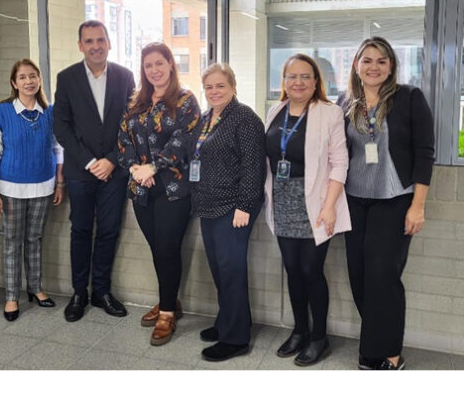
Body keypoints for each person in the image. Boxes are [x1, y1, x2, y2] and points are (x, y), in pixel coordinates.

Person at [337, 37, 435, 370]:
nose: (374, 67)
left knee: (383, 275)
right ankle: (376, 342)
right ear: (356, 65)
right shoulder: (346, 102)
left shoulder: (409, 98)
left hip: (395, 200)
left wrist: (417, 206)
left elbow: (424, 153)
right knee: (359, 275)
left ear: (391, 65)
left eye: (381, 61)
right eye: (367, 60)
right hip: (354, 200)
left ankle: (389, 352)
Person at [263, 54, 350, 366]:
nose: (297, 82)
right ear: (283, 81)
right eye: (291, 76)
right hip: (283, 201)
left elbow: (340, 162)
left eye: (305, 77)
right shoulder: (276, 110)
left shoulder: (329, 112)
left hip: (315, 201)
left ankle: (319, 338)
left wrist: (329, 208)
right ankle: (299, 330)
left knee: (311, 271)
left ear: (316, 82)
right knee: (292, 270)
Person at [117, 42, 200, 346]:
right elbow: (122, 141)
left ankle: (167, 312)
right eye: (148, 65)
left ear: (170, 64)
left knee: (167, 248)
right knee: (158, 249)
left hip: (174, 191)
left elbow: (184, 142)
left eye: (159, 63)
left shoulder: (186, 100)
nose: (154, 70)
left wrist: (153, 167)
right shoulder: (135, 102)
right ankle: (171, 300)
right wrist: (137, 170)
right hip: (141, 191)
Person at [53, 20, 135, 322]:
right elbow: (61, 126)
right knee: (81, 230)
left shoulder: (125, 77)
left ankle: (101, 291)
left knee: (110, 231)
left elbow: (131, 123)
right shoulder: (67, 78)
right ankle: (79, 293)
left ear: (110, 43)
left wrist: (112, 159)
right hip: (80, 171)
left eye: (100, 40)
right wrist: (90, 162)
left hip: (115, 171)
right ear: (80, 46)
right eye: (89, 41)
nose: (96, 46)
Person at [188, 63, 266, 362]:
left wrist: (245, 205)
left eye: (220, 85)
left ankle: (236, 339)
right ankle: (227, 322)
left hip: (234, 207)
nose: (214, 91)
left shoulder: (244, 118)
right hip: (208, 205)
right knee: (220, 269)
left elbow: (253, 166)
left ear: (233, 86)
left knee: (231, 270)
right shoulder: (206, 118)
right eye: (209, 87)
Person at [0, 59, 65, 321]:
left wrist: (60, 181)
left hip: (43, 186)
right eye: (22, 77)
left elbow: (58, 148)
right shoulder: (1, 112)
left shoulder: (50, 112)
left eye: (33, 76)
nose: (28, 81)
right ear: (13, 83)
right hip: (10, 189)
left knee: (35, 240)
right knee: (11, 243)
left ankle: (36, 288)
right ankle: (11, 296)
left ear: (40, 80)